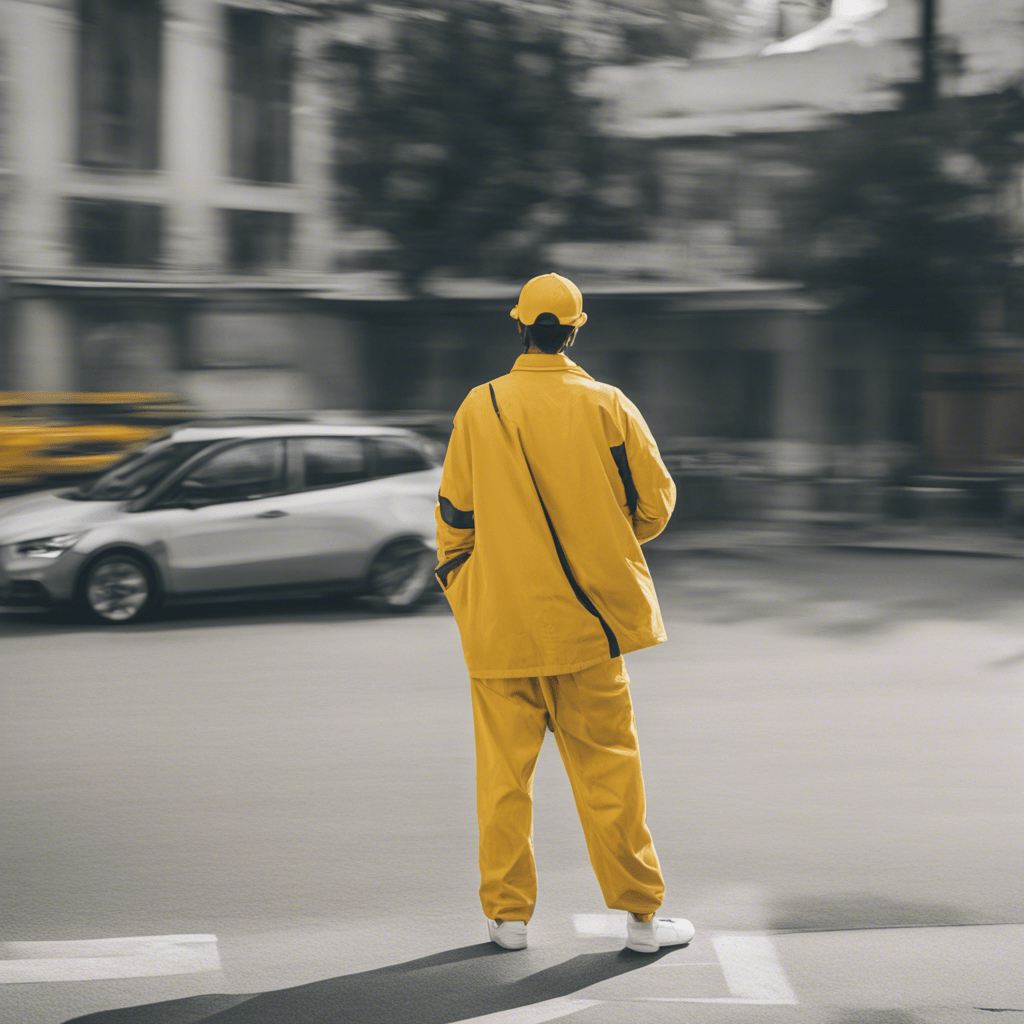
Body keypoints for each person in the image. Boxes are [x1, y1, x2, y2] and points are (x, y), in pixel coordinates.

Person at [434, 272, 694, 954]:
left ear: (518, 326)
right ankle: (641, 921)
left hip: (502, 630)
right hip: (587, 633)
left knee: (503, 781)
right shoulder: (609, 405)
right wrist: (603, 545)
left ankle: (509, 919)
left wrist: (465, 587)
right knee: (611, 778)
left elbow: (454, 520)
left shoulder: (479, 407)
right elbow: (656, 505)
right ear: (576, 331)